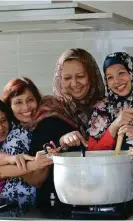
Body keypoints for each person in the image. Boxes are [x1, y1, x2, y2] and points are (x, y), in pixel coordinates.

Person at [28, 48, 106, 210]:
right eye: (67, 78)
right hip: (57, 205)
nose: (74, 84)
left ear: (91, 75)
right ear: (59, 79)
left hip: (101, 200)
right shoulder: (49, 111)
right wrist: (61, 142)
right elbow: (35, 174)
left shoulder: (106, 108)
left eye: (80, 76)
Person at [1, 77, 45, 206]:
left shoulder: (38, 126)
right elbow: (34, 180)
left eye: (30, 100)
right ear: (9, 107)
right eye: (18, 102)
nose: (25, 107)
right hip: (17, 204)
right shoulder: (15, 137)